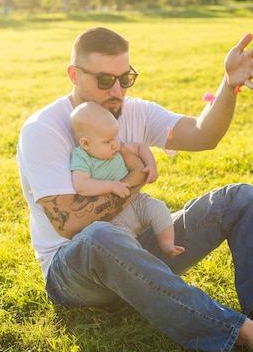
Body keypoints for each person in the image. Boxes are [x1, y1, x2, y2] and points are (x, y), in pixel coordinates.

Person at [17, 27, 253, 352]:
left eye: (125, 78)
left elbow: (202, 135)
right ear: (74, 74)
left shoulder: (134, 111)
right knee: (100, 234)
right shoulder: (43, 130)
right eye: (104, 80)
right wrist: (136, 177)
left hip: (138, 251)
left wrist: (228, 85)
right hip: (75, 274)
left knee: (242, 198)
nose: (117, 91)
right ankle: (243, 332)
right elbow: (69, 224)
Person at [70, 101, 184, 257]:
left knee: (158, 208)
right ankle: (139, 259)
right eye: (107, 141)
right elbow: (81, 185)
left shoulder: (117, 146)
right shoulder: (82, 157)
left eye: (115, 137)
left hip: (137, 201)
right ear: (85, 144)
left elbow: (139, 147)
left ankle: (167, 245)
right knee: (119, 242)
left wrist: (150, 165)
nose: (114, 144)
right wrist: (111, 186)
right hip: (113, 219)